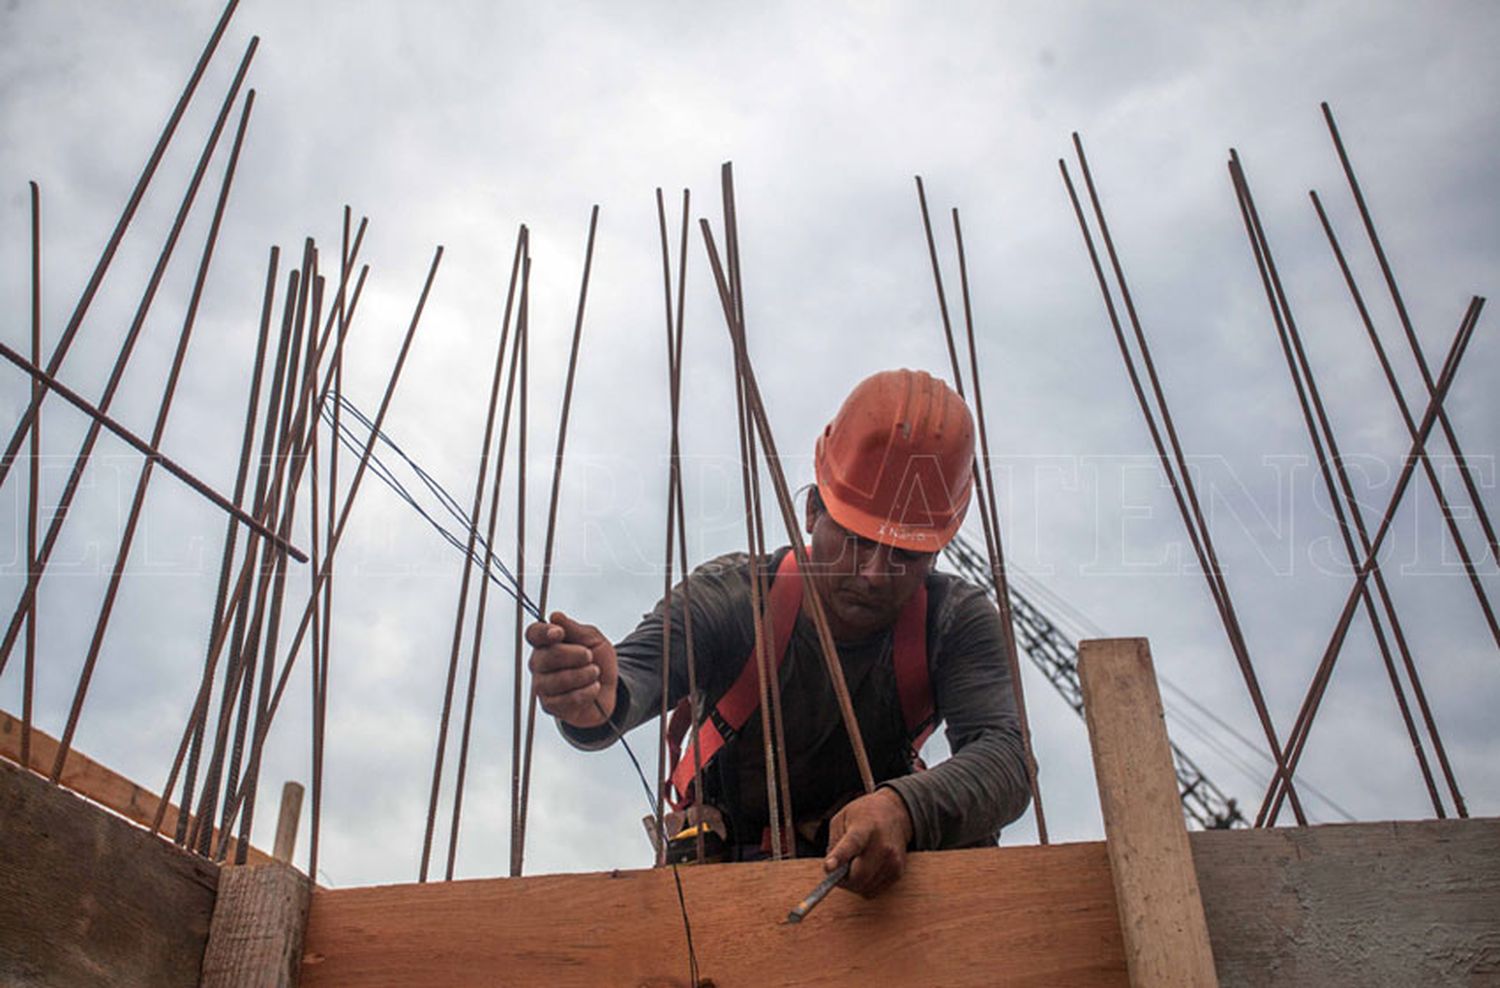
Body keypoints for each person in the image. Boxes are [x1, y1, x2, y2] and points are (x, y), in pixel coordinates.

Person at [527, 368, 1031, 896]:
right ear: (813, 510)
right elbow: (635, 674)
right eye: (857, 540)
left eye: (906, 554)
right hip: (725, 891)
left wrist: (905, 808)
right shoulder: (735, 598)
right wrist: (599, 698)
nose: (874, 573)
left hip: (876, 897)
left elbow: (1007, 758)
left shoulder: (953, 620)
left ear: (938, 548)